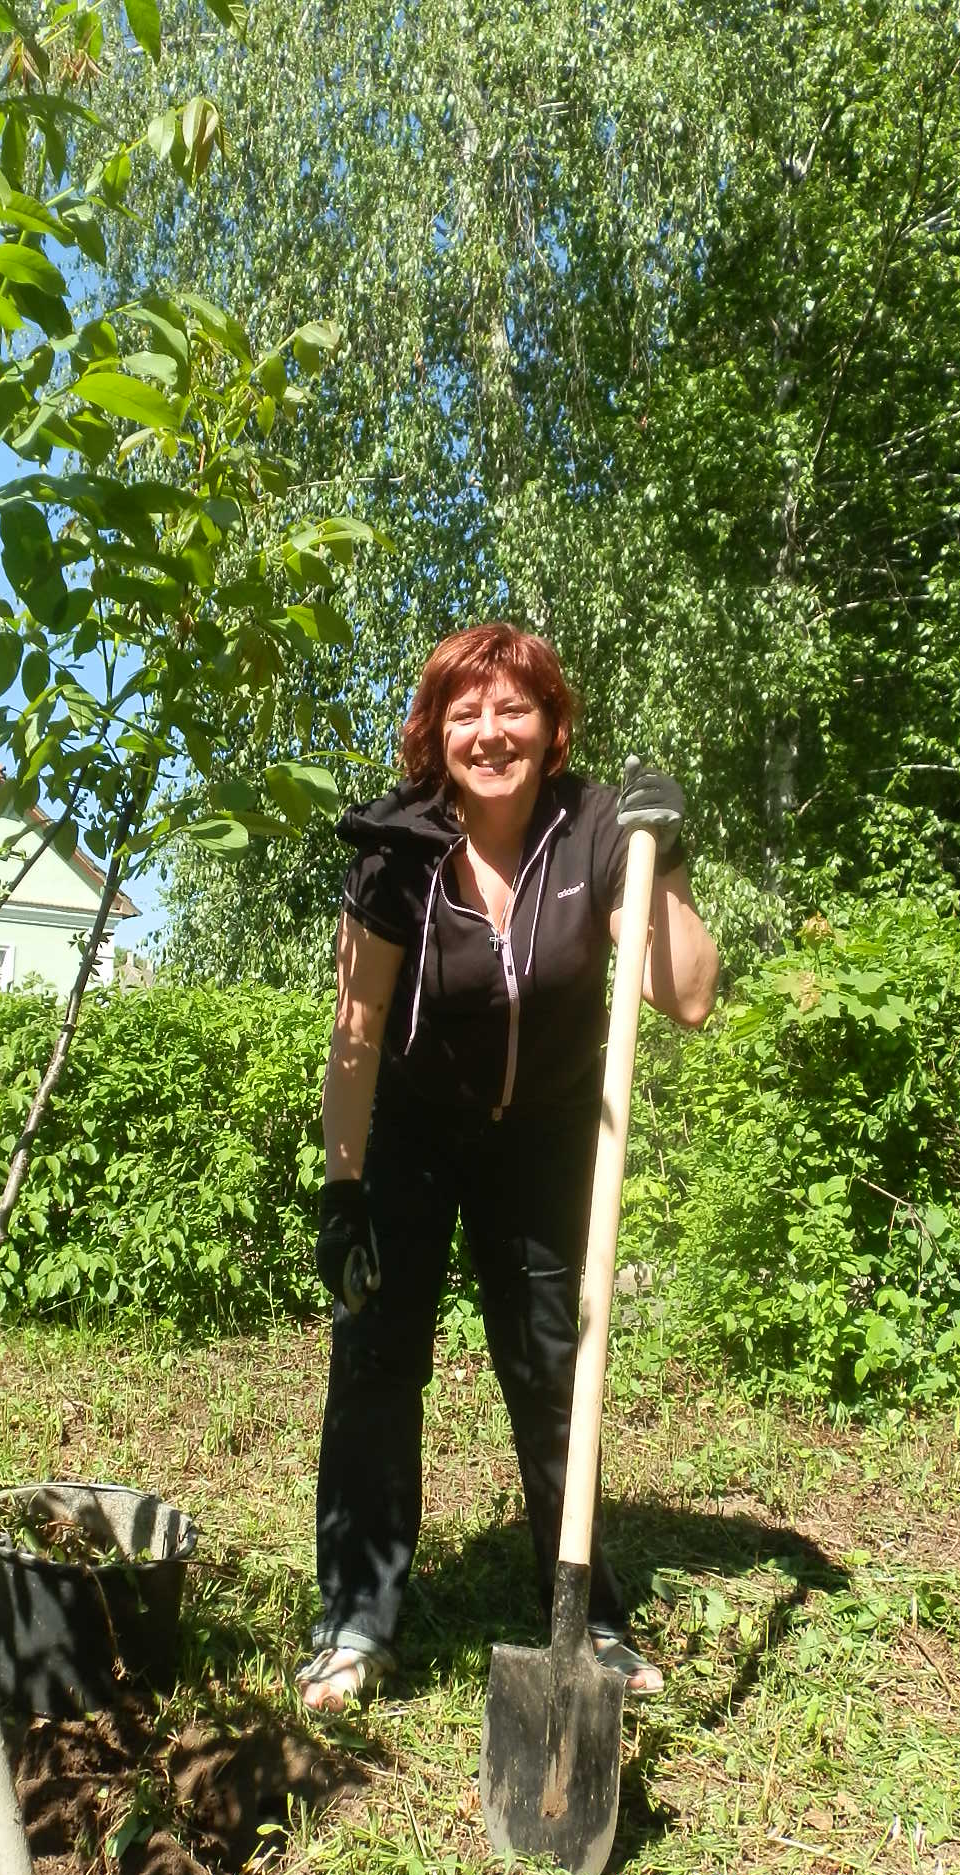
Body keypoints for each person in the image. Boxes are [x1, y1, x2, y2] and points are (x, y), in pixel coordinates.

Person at [298, 623, 719, 1713]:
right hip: (414, 1131)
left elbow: (687, 995)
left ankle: (589, 1616)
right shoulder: (397, 850)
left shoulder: (598, 832)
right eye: (466, 712)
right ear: (436, 733)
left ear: (551, 725)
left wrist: (665, 861)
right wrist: (343, 1190)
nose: (490, 732)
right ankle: (355, 1622)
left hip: (542, 1134)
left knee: (549, 1364)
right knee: (377, 1354)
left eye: (513, 709)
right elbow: (357, 1032)